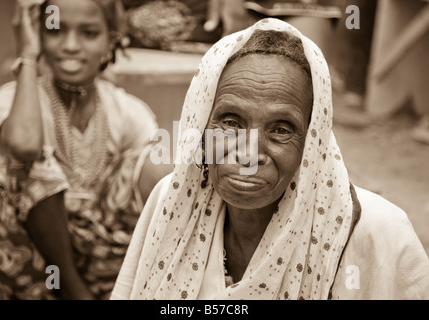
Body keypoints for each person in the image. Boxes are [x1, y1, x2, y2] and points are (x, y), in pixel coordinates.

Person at [110, 18, 429, 300]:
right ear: (201, 125)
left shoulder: (377, 235)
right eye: (231, 123)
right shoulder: (172, 200)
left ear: (312, 143)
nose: (248, 154)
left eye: (281, 129)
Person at [0, 0, 170, 300]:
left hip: (98, 259)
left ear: (110, 43)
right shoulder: (18, 97)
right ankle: (73, 292)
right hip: (25, 258)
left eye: (89, 33)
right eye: (55, 31)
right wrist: (26, 55)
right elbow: (24, 144)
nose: (70, 45)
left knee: (158, 165)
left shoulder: (128, 111)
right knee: (31, 163)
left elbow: (159, 187)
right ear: (40, 37)